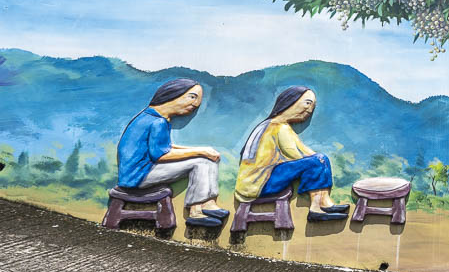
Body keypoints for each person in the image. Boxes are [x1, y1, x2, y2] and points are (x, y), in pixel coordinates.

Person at [116, 78, 225, 228]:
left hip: (142, 171)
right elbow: (160, 155)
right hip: (138, 175)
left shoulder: (155, 118)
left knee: (206, 158)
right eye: (192, 97)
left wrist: (202, 150)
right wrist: (200, 152)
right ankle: (196, 210)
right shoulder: (157, 122)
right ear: (172, 94)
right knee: (200, 162)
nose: (195, 104)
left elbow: (165, 147)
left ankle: (207, 202)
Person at [235, 86, 347, 221]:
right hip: (259, 183)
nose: (310, 109)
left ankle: (324, 202)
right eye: (307, 103)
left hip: (257, 181)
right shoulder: (278, 127)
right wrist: (318, 160)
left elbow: (304, 151)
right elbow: (295, 154)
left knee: (320, 159)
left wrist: (320, 159)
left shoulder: (278, 125)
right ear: (290, 101)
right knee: (317, 160)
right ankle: (316, 208)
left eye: (313, 106)